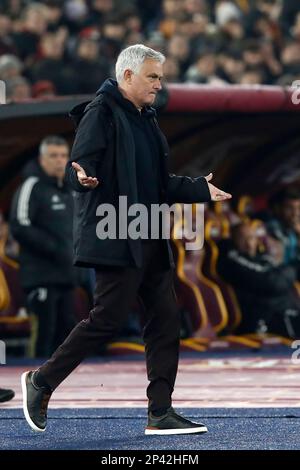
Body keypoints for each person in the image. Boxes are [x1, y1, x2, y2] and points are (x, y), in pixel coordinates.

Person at [21, 44, 231, 435]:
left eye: (160, 76)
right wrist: (79, 177)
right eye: (153, 76)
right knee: (108, 318)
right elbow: (79, 166)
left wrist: (200, 189)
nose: (159, 84)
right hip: (115, 232)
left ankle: (160, 412)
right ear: (128, 76)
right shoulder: (99, 112)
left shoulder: (146, 117)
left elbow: (157, 184)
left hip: (148, 232)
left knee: (166, 319)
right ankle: (41, 382)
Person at [10, 136, 76, 357]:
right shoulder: (31, 186)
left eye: (63, 156)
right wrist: (55, 248)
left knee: (67, 332)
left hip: (68, 275)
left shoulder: (71, 190)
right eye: (53, 156)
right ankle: (32, 380)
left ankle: (62, 385)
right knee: (43, 334)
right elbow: (20, 225)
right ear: (42, 159)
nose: (59, 161)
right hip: (41, 277)